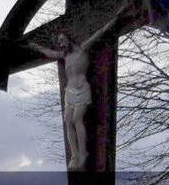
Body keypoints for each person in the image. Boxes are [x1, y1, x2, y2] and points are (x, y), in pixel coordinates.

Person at [28, 11, 121, 170]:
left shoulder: (82, 49)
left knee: (77, 119)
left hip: (82, 89)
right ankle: (75, 155)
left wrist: (116, 17)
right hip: (70, 91)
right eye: (60, 42)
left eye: (63, 40)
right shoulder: (64, 56)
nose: (62, 44)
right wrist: (34, 45)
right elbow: (48, 53)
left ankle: (83, 153)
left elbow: (100, 32)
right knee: (68, 121)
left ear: (69, 39)